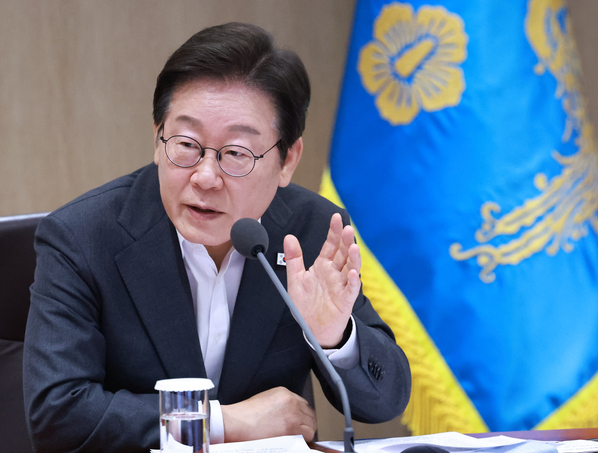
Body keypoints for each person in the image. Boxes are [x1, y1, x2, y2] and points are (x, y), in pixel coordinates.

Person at [23, 22, 411, 453]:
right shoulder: (83, 237)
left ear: (287, 160)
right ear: (158, 139)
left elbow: (384, 401)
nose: (205, 177)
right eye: (186, 144)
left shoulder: (311, 229)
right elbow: (57, 414)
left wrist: (334, 338)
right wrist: (223, 422)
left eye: (236, 153)